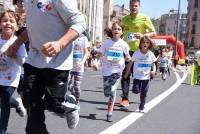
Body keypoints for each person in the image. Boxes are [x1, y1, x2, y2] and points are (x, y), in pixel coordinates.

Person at [7, 0, 86, 133]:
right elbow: (32, 28)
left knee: (54, 103)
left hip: (58, 62)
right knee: (31, 102)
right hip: (34, 59)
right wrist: (17, 43)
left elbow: (80, 22)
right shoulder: (27, 2)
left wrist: (60, 44)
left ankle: (70, 104)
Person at [120, 0, 156, 107]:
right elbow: (121, 33)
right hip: (127, 51)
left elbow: (154, 32)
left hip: (140, 52)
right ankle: (125, 98)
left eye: (136, 6)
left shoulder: (145, 18)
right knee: (125, 73)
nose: (133, 7)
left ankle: (141, 88)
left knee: (139, 73)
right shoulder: (124, 19)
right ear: (129, 6)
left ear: (139, 6)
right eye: (132, 5)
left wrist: (143, 35)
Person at [93, 21, 131, 122]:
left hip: (117, 70)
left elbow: (127, 55)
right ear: (112, 31)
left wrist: (128, 58)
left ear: (122, 32)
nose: (116, 30)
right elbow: (100, 54)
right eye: (115, 29)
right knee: (107, 92)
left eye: (119, 29)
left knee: (113, 91)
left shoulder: (124, 44)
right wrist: (95, 62)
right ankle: (107, 90)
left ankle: (109, 112)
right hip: (106, 70)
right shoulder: (107, 43)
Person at [0, 10, 27, 134]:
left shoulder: (18, 43)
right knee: (3, 98)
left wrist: (15, 55)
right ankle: (16, 104)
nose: (8, 23)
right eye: (5, 21)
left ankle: (2, 129)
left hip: (11, 78)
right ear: (0, 24)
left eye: (11, 21)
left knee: (4, 100)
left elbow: (23, 63)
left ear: (16, 26)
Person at [124, 36, 157, 113]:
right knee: (135, 91)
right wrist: (127, 73)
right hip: (137, 76)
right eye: (143, 42)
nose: (145, 44)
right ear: (140, 44)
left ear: (149, 44)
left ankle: (142, 106)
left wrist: (154, 71)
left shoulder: (150, 54)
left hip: (146, 77)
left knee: (144, 92)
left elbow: (154, 63)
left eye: (147, 42)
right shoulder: (136, 53)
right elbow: (130, 63)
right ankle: (138, 91)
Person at [68, 32, 90, 109]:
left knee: (76, 87)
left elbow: (87, 52)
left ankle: (76, 102)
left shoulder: (83, 38)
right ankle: (73, 96)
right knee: (68, 85)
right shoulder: (69, 35)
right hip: (69, 66)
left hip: (79, 67)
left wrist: (82, 62)